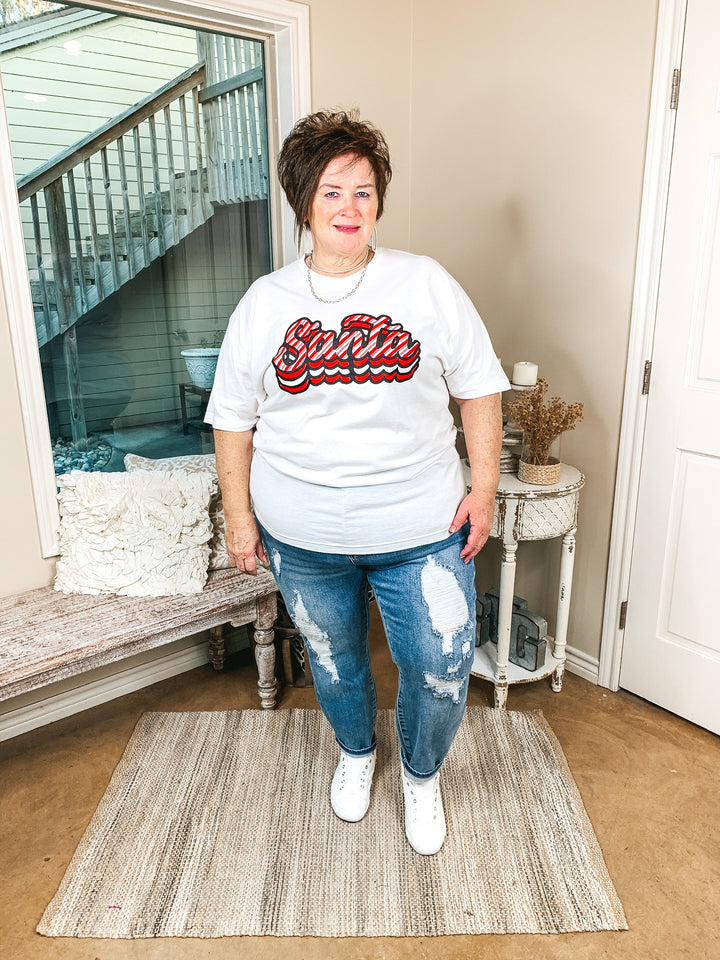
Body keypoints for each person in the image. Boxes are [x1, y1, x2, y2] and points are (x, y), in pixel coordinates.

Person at [206, 110, 509, 856]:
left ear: (379, 202)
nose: (350, 208)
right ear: (304, 201)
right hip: (302, 537)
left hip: (422, 529)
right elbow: (232, 418)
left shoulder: (425, 284)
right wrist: (240, 518)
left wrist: (486, 487)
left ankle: (420, 773)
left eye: (364, 192)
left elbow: (479, 389)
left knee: (441, 666)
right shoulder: (265, 303)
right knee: (335, 660)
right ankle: (355, 753)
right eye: (333, 192)